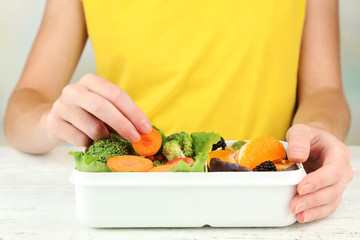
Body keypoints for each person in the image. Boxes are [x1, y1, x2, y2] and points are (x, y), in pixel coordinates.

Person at [4, 0, 353, 223]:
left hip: (264, 203)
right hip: (127, 207)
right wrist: (49, 120)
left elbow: (325, 90)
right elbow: (22, 110)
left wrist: (319, 128)